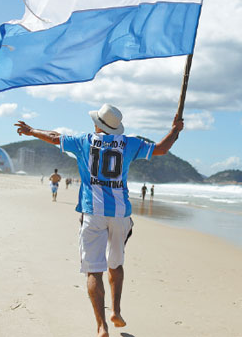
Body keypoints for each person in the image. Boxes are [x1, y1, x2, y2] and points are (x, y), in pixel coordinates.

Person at [15, 103, 183, 337]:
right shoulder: (129, 142)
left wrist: (32, 131)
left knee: (94, 271)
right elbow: (162, 149)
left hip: (92, 212)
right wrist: (175, 130)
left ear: (98, 125)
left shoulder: (84, 140)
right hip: (120, 213)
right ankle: (116, 311)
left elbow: (54, 138)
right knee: (116, 263)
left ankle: (101, 326)